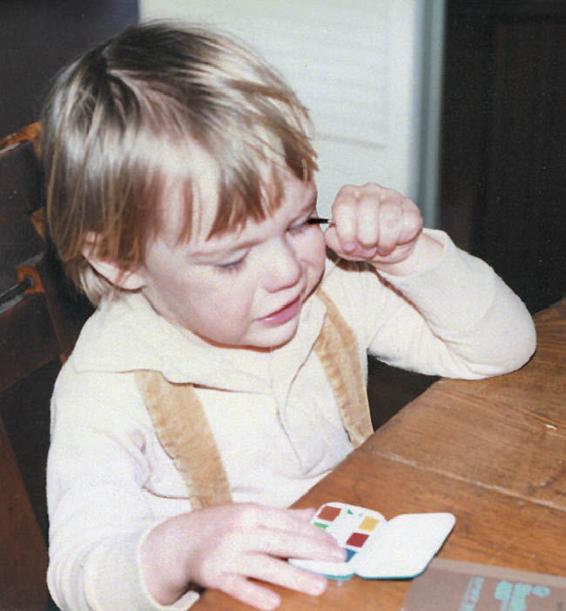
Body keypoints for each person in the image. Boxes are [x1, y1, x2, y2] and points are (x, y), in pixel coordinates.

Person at [42, 22, 536, 611]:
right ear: (123, 262)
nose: (286, 269)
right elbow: (79, 576)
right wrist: (177, 552)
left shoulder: (328, 291)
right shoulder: (106, 384)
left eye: (301, 221)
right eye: (230, 259)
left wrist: (413, 254)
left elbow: (503, 348)